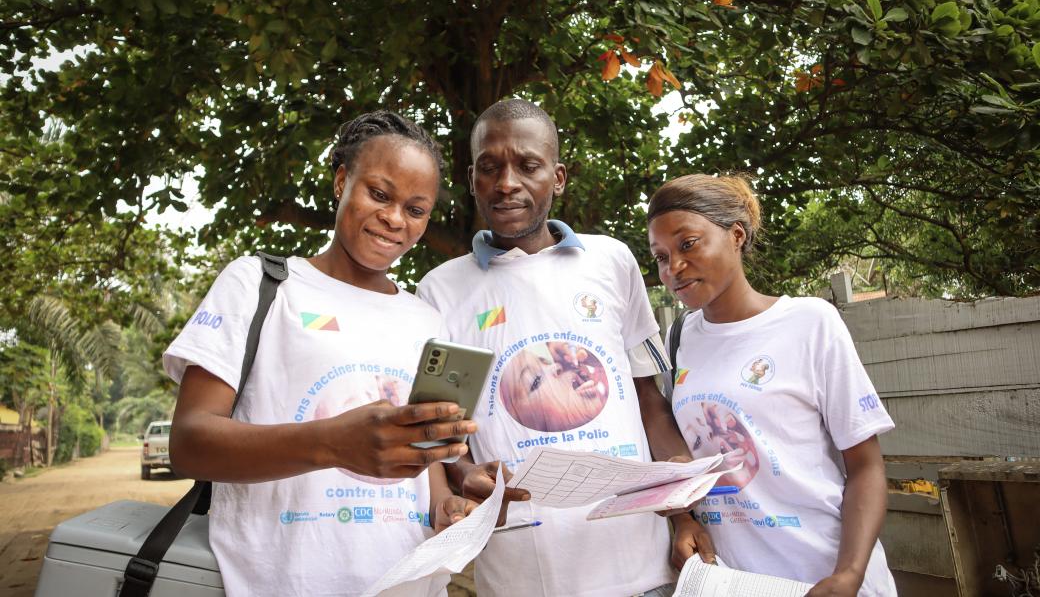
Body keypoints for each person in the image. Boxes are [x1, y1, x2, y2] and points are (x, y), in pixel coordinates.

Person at [164, 111, 479, 597]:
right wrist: (332, 442)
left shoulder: (427, 321)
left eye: (415, 210)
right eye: (379, 194)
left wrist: (445, 507)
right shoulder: (261, 284)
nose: (395, 219)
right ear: (340, 182)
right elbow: (188, 443)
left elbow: (426, 464)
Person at [417, 99, 705, 597]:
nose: (507, 182)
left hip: (642, 573)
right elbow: (439, 434)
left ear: (559, 176)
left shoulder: (611, 262)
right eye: (490, 167)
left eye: (528, 165)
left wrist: (684, 515)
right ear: (472, 180)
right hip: (520, 580)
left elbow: (647, 402)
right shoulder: (442, 291)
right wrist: (465, 475)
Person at [646, 174, 897, 596]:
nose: (674, 268)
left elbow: (867, 467)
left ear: (736, 235)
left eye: (688, 244)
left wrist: (849, 574)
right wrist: (683, 519)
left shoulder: (809, 322)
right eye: (661, 257)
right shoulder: (679, 339)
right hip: (736, 580)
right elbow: (688, 461)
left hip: (826, 574)